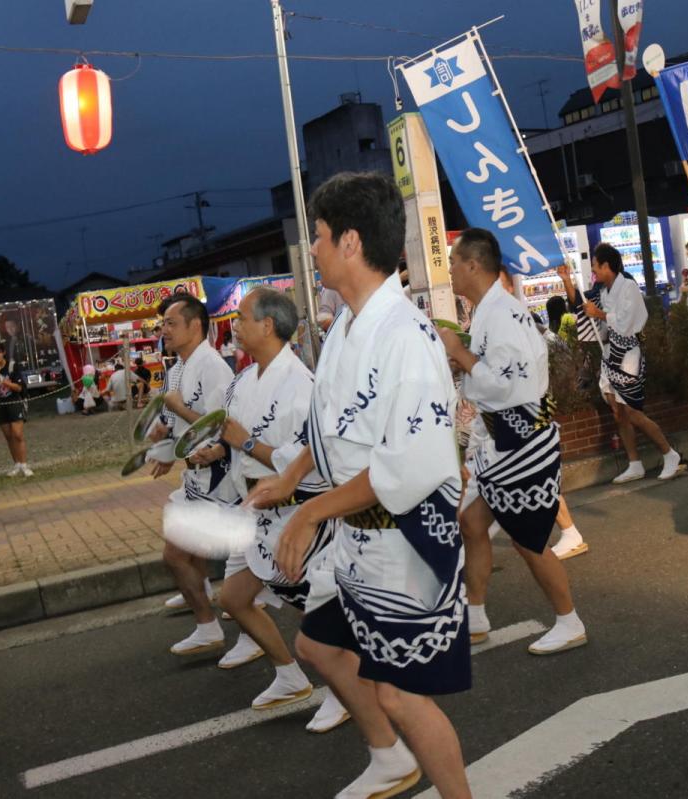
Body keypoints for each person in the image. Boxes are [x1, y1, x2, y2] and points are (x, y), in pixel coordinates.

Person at [247, 172, 471, 799]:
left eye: (318, 236)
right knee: (318, 647)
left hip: (402, 542)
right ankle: (388, 758)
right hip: (357, 541)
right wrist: (291, 478)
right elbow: (332, 430)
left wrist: (309, 512)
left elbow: (408, 465)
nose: (312, 249)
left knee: (400, 694)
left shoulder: (405, 337)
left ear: (350, 242)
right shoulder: (348, 327)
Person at [188, 286, 348, 731]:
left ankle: (343, 690)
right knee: (234, 598)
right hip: (256, 509)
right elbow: (232, 437)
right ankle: (289, 674)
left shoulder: (303, 385)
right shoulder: (242, 380)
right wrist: (217, 450)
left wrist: (244, 444)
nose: (235, 326)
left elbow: (306, 458)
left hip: (297, 511)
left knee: (314, 609)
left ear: (268, 325)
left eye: (241, 318)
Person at [438, 228, 586, 657]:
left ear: (472, 265)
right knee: (471, 523)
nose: (450, 270)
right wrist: (465, 355)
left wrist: (459, 352)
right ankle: (476, 614)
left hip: (524, 443)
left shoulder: (501, 313)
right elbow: (495, 374)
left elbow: (507, 384)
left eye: (453, 263)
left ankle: (569, 620)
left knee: (528, 541)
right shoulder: (491, 309)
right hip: (503, 441)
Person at [148, 293, 237, 656]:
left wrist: (179, 410)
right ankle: (201, 592)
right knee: (188, 552)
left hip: (219, 475)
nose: (164, 331)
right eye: (163, 325)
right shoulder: (179, 368)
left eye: (171, 323)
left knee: (175, 555)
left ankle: (208, 625)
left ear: (195, 325)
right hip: (198, 475)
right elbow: (178, 423)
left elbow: (221, 427)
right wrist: (164, 438)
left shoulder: (213, 366)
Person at [559, 245, 684, 484]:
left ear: (606, 266)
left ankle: (669, 453)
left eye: (595, 265)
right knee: (618, 412)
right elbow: (578, 303)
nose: (593, 270)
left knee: (632, 412)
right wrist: (565, 279)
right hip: (609, 353)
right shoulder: (602, 290)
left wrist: (600, 314)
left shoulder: (628, 286)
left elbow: (628, 322)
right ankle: (634, 462)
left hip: (627, 354)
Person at [541, 295, 587, 559]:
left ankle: (569, 533)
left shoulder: (544, 336)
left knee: (540, 476)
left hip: (531, 412)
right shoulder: (548, 335)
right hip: (537, 408)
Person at [0, 338, 33, 476]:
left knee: (17, 434)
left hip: (14, 401)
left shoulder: (12, 366)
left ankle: (24, 465)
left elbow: (19, 387)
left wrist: (4, 381)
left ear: (3, 352)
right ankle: (16, 464)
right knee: (9, 436)